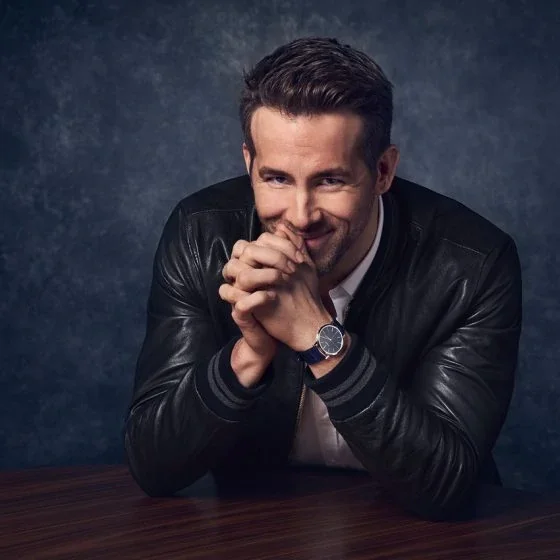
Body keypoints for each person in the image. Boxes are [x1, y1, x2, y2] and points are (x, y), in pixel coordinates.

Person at [124, 37, 522, 520]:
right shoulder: (199, 235)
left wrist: (318, 337)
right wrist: (248, 356)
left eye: (330, 180)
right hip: (257, 527)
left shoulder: (473, 265)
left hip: (423, 534)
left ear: (382, 170)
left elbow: (444, 485)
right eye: (276, 178)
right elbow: (154, 466)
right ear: (249, 164)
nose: (300, 215)